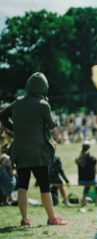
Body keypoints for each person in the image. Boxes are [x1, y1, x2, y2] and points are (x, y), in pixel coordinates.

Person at [0, 72, 67, 226]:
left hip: (21, 151)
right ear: (44, 88)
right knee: (44, 185)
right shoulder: (43, 104)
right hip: (39, 152)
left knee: (22, 185)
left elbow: (2, 115)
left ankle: (24, 219)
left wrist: (13, 128)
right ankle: (51, 218)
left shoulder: (18, 102)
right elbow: (51, 125)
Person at [75, 141, 97, 206]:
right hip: (90, 180)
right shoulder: (93, 159)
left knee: (88, 184)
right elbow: (95, 172)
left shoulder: (78, 159)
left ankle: (83, 200)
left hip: (80, 181)